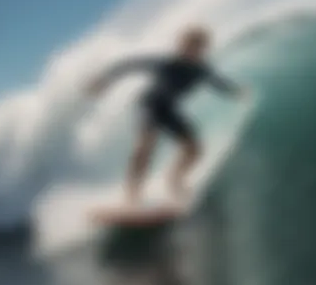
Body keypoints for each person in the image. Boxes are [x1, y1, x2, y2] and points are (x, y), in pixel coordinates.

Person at [87, 26, 249, 205]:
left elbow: (218, 83)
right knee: (146, 144)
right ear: (181, 46)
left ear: (203, 49)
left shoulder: (201, 70)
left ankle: (174, 179)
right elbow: (129, 64)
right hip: (148, 105)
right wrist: (104, 79)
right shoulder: (166, 63)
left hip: (167, 109)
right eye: (188, 46)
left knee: (194, 149)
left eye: (198, 47)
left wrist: (236, 92)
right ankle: (132, 193)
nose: (192, 51)